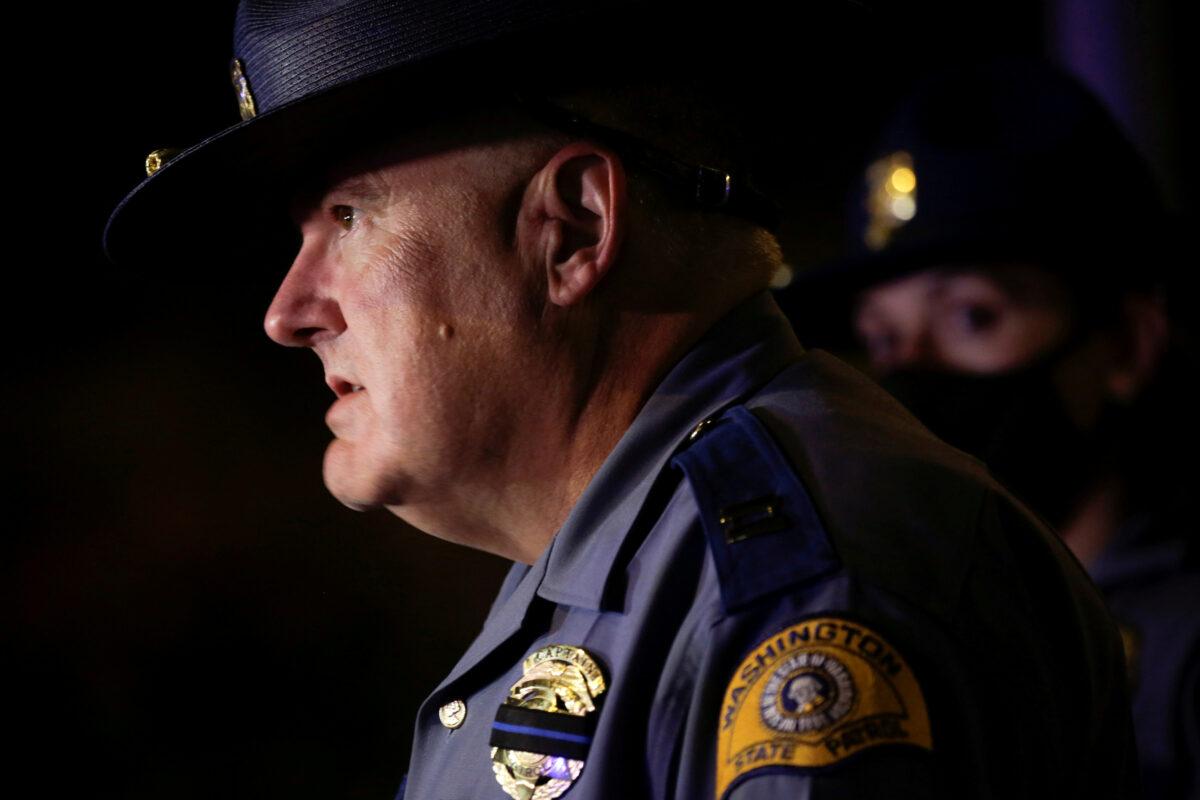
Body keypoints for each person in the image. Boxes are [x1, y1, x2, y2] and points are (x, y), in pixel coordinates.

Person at [106, 5, 1139, 799]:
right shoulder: (628, 566)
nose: (289, 311)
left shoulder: (799, 584)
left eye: (349, 215)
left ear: (572, 230)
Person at [784, 58, 1199, 799]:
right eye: (883, 339)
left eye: (973, 316)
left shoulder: (1181, 647)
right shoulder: (882, 632)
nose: (912, 373)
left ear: (1129, 345)